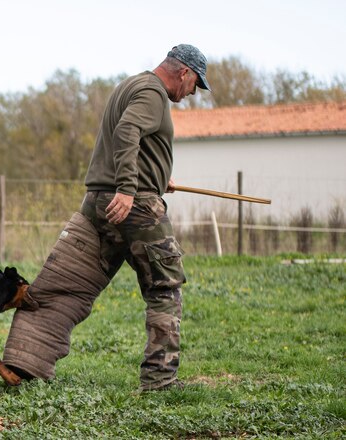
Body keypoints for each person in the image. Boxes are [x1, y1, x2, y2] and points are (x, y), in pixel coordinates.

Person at [79, 44, 211, 391]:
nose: (193, 92)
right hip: (133, 205)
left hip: (98, 200)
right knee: (165, 288)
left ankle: (28, 358)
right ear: (183, 72)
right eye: (196, 83)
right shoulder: (155, 94)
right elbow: (126, 133)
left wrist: (155, 175)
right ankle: (160, 380)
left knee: (73, 286)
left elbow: (129, 138)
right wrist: (129, 188)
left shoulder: (132, 84)